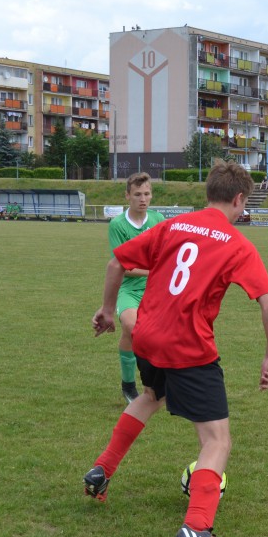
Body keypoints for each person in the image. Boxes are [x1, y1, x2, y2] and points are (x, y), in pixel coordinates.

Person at [84, 161, 268, 537]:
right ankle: (198, 525)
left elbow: (116, 263)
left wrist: (107, 310)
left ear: (208, 192)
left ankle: (101, 470)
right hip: (188, 347)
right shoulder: (237, 243)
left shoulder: (173, 225)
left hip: (147, 335)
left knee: (152, 394)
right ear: (240, 199)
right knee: (216, 441)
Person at [108, 173, 165, 403]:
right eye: (138, 194)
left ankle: (158, 383)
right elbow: (124, 266)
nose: (143, 199)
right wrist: (154, 270)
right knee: (131, 327)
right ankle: (128, 385)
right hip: (129, 289)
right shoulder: (118, 225)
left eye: (147, 193)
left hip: (157, 290)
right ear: (127, 196)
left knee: (163, 336)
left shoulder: (158, 219)